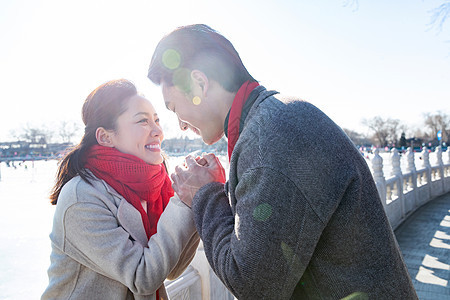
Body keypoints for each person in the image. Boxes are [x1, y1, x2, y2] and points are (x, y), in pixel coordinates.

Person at [147, 24, 418, 299]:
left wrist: (203, 194)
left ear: (199, 84)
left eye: (173, 107)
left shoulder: (270, 138)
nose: (179, 124)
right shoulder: (275, 118)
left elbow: (253, 286)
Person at [42, 79, 199, 300]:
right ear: (105, 137)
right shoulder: (82, 197)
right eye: (143, 121)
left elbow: (171, 269)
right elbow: (143, 278)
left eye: (156, 120)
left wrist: (197, 198)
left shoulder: (156, 187)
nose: (158, 131)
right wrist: (184, 201)